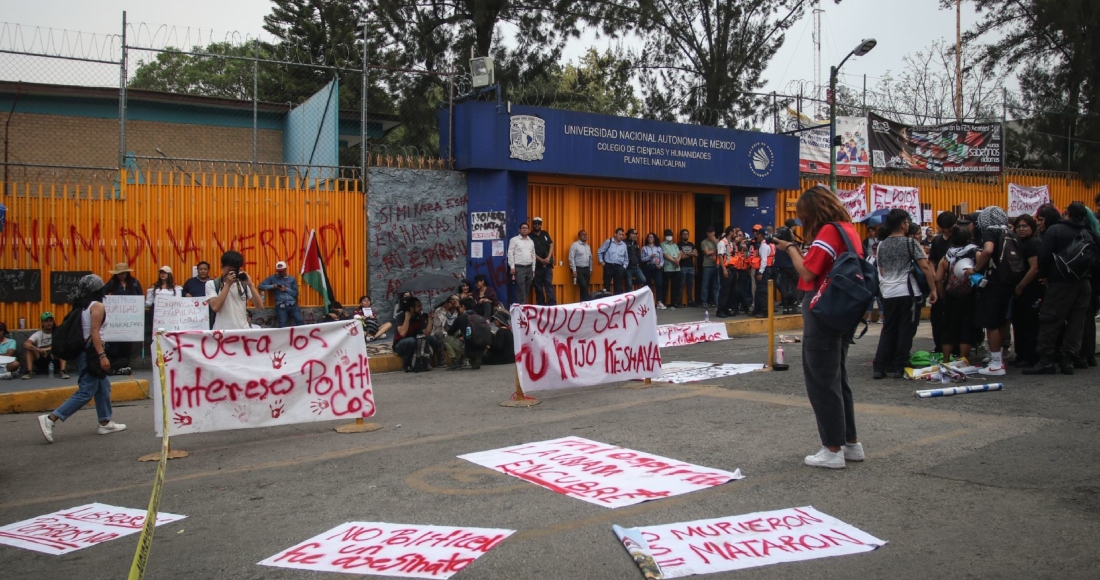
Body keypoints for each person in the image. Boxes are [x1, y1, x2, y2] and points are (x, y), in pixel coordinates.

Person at [771, 185, 863, 469]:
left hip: (822, 310)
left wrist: (789, 248)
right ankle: (850, 443)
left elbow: (808, 271)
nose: (801, 222)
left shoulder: (828, 233)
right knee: (838, 378)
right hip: (842, 310)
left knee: (821, 380)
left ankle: (832, 449)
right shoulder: (848, 230)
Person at [36, 274, 127, 444]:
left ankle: (105, 422)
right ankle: (51, 418)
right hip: (91, 353)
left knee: (103, 387)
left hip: (85, 352)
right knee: (86, 391)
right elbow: (94, 332)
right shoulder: (97, 306)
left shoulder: (83, 306)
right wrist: (102, 356)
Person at [1024, 203, 1098, 375]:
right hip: (1084, 283)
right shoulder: (1088, 233)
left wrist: (1044, 275)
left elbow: (1044, 256)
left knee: (1050, 319)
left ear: (1067, 213)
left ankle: (1045, 360)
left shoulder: (1055, 230)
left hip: (1060, 283)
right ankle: (1069, 360)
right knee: (1076, 323)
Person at [872, 210, 938, 379]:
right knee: (905, 330)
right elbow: (925, 267)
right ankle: (899, 366)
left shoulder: (881, 245)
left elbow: (881, 270)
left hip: (888, 293)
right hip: (908, 293)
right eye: (907, 222)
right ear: (903, 224)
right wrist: (933, 289)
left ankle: (879, 366)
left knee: (888, 330)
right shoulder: (910, 243)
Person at [971, 206, 1014, 376]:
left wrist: (976, 268)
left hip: (993, 281)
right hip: (1007, 281)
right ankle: (1000, 357)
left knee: (991, 323)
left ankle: (996, 363)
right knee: (1002, 321)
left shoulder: (990, 231)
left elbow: (988, 250)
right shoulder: (1009, 232)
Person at [935, 226, 979, 362]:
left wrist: (943, 296)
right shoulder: (975, 253)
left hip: (951, 296)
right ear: (969, 238)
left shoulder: (947, 256)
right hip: (970, 295)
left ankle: (946, 359)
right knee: (967, 327)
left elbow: (938, 279)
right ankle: (963, 359)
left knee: (949, 327)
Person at [1009, 214, 1043, 368]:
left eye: (1025, 226)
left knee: (1029, 324)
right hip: (1020, 290)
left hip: (1031, 289)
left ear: (1032, 227)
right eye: (1018, 226)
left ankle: (1030, 356)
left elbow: (1034, 268)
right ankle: (1021, 354)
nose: (1021, 229)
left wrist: (1021, 286)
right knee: (1018, 322)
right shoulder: (1018, 242)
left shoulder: (1033, 243)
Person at [206, 250, 264, 330]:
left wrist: (250, 284)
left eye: (235, 270)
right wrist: (228, 284)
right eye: (230, 270)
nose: (233, 273)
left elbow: (260, 306)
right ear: (222, 267)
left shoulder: (243, 284)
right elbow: (215, 307)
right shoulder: (212, 284)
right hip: (222, 331)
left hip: (243, 330)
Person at [102, 262, 142, 375]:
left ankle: (125, 363)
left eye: (123, 273)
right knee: (116, 343)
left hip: (130, 317)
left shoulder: (134, 282)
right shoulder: (112, 283)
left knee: (128, 342)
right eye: (119, 274)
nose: (121, 276)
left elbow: (140, 297)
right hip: (116, 318)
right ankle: (117, 364)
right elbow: (103, 293)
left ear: (127, 273)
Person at [928, 212, 956, 353]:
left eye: (949, 228)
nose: (946, 231)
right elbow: (931, 260)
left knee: (953, 317)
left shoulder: (959, 239)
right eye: (943, 228)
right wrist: (935, 275)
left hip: (955, 285)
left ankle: (954, 348)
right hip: (938, 283)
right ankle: (938, 346)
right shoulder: (937, 240)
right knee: (936, 317)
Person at [392, 296, 440, 371]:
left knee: (432, 339)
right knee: (411, 341)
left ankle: (428, 361)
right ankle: (406, 364)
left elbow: (426, 333)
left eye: (421, 306)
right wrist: (407, 319)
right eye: (418, 306)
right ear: (411, 308)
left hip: (415, 342)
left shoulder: (418, 317)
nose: (421, 308)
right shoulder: (401, 316)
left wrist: (430, 320)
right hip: (400, 344)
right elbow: (402, 333)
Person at [22, 312, 70, 379]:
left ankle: (63, 371)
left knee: (62, 348)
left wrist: (46, 349)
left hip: (54, 359)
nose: (49, 323)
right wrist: (38, 349)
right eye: (46, 321)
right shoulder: (37, 334)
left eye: (50, 321)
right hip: (41, 359)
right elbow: (26, 344)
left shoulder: (57, 333)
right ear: (42, 323)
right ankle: (29, 372)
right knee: (29, 350)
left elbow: (63, 343)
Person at [258, 261, 304, 328]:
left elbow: (296, 294)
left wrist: (286, 289)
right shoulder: (272, 278)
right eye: (278, 271)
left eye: (281, 271)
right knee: (282, 324)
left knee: (299, 322)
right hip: (281, 305)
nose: (280, 273)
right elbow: (260, 286)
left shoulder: (291, 279)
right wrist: (272, 286)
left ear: (285, 270)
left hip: (293, 304)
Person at [529, 217, 557, 306]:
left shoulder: (545, 233)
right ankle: (541, 305)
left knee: (548, 284)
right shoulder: (529, 236)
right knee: (538, 287)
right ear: (532, 224)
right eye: (535, 223)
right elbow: (530, 251)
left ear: (541, 224)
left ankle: (552, 304)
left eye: (539, 223)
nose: (537, 225)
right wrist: (541, 260)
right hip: (536, 266)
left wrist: (548, 258)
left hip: (547, 265)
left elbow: (551, 244)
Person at [507, 223, 536, 305]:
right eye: (523, 228)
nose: (524, 229)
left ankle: (522, 305)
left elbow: (533, 255)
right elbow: (510, 253)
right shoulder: (514, 240)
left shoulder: (531, 241)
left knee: (527, 289)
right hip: (519, 268)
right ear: (519, 230)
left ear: (528, 230)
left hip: (529, 268)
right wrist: (512, 267)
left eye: (526, 228)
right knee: (521, 289)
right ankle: (521, 308)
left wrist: (533, 269)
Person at [774, 219, 799, 315]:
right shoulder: (790, 242)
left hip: (781, 265)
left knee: (784, 285)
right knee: (794, 286)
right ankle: (793, 307)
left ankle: (785, 307)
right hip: (791, 265)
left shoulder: (779, 241)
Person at [751, 225, 774, 318]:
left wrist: (760, 272)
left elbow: (764, 261)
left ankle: (764, 311)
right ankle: (758, 309)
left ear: (760, 235)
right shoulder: (764, 244)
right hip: (763, 269)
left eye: (758, 234)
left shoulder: (764, 246)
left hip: (763, 270)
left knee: (763, 291)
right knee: (759, 291)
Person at [597, 228, 629, 294]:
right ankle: (607, 299)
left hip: (619, 267)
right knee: (606, 286)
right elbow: (600, 252)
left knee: (618, 287)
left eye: (622, 235)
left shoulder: (624, 245)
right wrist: (602, 262)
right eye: (620, 234)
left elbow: (626, 258)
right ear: (615, 234)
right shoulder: (608, 242)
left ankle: (616, 300)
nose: (621, 236)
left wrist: (624, 267)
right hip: (608, 266)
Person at [862, 227, 883, 324]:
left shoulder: (881, 257)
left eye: (876, 249)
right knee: (870, 299)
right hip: (871, 280)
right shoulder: (869, 257)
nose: (874, 250)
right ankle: (869, 316)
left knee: (879, 299)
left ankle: (881, 316)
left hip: (879, 280)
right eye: (873, 249)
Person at [641, 233, 665, 308]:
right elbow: (642, 259)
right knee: (647, 285)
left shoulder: (658, 248)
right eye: (649, 237)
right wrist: (650, 256)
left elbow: (662, 259)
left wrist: (660, 265)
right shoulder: (644, 248)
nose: (650, 238)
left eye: (652, 237)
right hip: (647, 267)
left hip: (656, 267)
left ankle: (659, 302)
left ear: (654, 239)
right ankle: (648, 303)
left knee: (659, 283)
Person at [569, 230, 593, 302]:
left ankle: (583, 303)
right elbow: (571, 258)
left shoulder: (588, 246)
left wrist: (590, 269)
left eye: (586, 234)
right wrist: (574, 270)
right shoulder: (575, 245)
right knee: (583, 286)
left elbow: (590, 258)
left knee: (585, 287)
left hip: (587, 269)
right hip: (578, 269)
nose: (585, 236)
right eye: (583, 234)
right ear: (579, 236)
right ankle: (588, 301)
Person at [660, 229, 682, 309]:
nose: (669, 236)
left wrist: (678, 260)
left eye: (670, 235)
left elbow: (679, 254)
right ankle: (663, 302)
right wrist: (674, 261)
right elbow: (665, 255)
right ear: (665, 236)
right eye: (667, 235)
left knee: (675, 286)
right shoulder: (662, 244)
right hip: (667, 268)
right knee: (665, 286)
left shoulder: (675, 245)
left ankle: (674, 303)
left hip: (676, 268)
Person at [715, 227, 734, 317]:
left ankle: (727, 308)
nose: (735, 234)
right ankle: (720, 310)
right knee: (724, 291)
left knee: (729, 290)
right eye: (734, 232)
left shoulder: (730, 243)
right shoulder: (722, 243)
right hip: (725, 268)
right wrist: (724, 269)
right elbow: (720, 256)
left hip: (730, 268)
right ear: (730, 232)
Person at [699, 226, 719, 308]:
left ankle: (716, 301)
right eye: (709, 232)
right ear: (707, 233)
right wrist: (716, 251)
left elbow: (722, 249)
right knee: (705, 284)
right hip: (707, 265)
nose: (711, 234)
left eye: (712, 232)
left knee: (716, 285)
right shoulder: (704, 242)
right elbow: (706, 252)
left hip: (717, 265)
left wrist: (714, 241)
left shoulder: (718, 241)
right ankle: (704, 302)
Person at [677, 229, 698, 307]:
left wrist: (686, 253)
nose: (686, 235)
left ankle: (690, 301)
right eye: (684, 234)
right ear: (681, 236)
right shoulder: (679, 245)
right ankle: (679, 302)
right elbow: (682, 256)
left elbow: (696, 254)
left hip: (691, 267)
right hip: (682, 267)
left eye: (687, 234)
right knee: (681, 284)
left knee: (690, 285)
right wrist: (691, 254)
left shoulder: (691, 244)